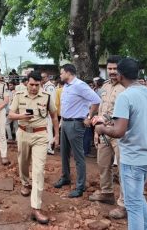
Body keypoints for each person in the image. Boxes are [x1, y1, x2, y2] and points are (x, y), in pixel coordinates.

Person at [93, 58, 147, 230]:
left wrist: (102, 129)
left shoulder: (125, 96)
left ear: (120, 75)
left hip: (133, 159)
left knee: (133, 205)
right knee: (137, 198)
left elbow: (119, 131)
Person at [8, 71, 59, 224]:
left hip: (40, 136)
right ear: (27, 83)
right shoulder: (19, 95)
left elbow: (54, 116)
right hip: (23, 133)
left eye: (37, 85)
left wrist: (56, 136)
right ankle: (25, 183)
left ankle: (36, 207)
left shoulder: (47, 96)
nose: (34, 88)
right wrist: (21, 116)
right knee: (23, 162)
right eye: (31, 84)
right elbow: (10, 114)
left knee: (38, 170)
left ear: (40, 84)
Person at [54, 64, 101, 198]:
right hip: (66, 122)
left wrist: (89, 117)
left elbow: (96, 100)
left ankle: (80, 187)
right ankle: (65, 177)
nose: (60, 75)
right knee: (64, 153)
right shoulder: (67, 86)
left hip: (76, 123)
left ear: (68, 73)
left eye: (62, 73)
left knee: (78, 156)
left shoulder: (80, 85)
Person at [88, 55, 126, 219]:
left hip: (120, 133)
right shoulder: (104, 86)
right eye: (109, 68)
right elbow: (102, 109)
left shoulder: (127, 87)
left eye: (115, 69)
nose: (111, 72)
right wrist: (97, 128)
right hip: (104, 131)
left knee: (124, 169)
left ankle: (124, 204)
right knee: (103, 163)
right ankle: (107, 192)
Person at [41, 72, 56, 155]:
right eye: (42, 77)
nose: (43, 79)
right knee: (46, 129)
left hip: (49, 111)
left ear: (48, 77)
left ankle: (50, 148)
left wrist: (49, 110)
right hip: (45, 111)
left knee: (49, 129)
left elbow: (52, 100)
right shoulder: (45, 86)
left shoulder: (50, 86)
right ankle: (47, 147)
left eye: (44, 77)